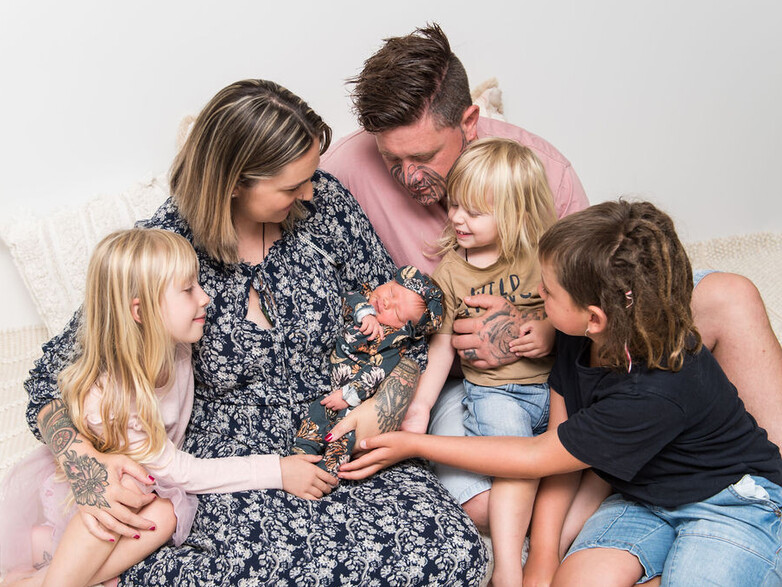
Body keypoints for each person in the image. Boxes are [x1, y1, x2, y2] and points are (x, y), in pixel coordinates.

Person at [22, 79, 487, 585]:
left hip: (336, 442)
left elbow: (409, 324)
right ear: (234, 182)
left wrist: (386, 406)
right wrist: (86, 464)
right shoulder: (166, 253)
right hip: (226, 468)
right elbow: (52, 378)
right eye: (292, 186)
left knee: (453, 552)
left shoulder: (326, 208)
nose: (310, 192)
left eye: (311, 177)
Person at [322, 22, 782, 533]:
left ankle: (771, 491)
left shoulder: (544, 168)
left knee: (732, 295)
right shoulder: (340, 172)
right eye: (393, 160)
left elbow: (588, 289)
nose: (409, 178)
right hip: (460, 379)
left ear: (469, 121)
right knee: (486, 511)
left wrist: (538, 330)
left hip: (562, 353)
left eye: (425, 158)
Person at [339, 200, 782, 586]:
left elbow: (537, 455)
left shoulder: (656, 392)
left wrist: (412, 443)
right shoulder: (578, 337)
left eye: (547, 291)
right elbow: (564, 449)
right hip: (644, 498)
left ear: (594, 317)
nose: (534, 295)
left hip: (729, 501)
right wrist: (544, 557)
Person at [2, 228, 337, 586]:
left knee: (168, 514)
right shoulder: (113, 397)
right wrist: (278, 471)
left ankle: (44, 573)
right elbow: (183, 472)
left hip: (149, 485)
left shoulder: (175, 346)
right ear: (141, 311)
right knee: (131, 488)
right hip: (95, 495)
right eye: (189, 289)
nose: (206, 297)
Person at [405, 137, 556, 586]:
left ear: (518, 215)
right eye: (455, 206)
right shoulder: (452, 270)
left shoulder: (546, 256)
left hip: (556, 388)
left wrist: (547, 331)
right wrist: (421, 406)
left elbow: (575, 314)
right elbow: (443, 346)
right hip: (495, 393)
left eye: (473, 211)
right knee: (516, 461)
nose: (455, 218)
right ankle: (508, 569)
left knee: (589, 454)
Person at [293, 265, 443, 475]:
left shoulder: (393, 341)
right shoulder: (363, 300)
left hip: (355, 397)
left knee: (345, 433)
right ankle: (301, 456)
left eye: (397, 312)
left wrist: (349, 395)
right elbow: (345, 298)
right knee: (316, 415)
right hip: (329, 385)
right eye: (391, 292)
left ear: (404, 328)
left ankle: (328, 471)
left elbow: (377, 371)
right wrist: (365, 313)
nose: (386, 302)